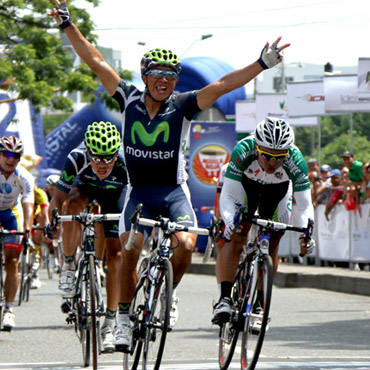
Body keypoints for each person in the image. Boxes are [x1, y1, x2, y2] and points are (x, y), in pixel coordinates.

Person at [48, 0, 290, 351]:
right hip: (139, 193)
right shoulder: (127, 98)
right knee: (130, 248)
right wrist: (68, 25)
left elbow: (223, 84)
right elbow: (95, 60)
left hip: (174, 192)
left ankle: (168, 291)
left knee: (188, 244)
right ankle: (123, 319)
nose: (164, 80)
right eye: (158, 74)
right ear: (145, 76)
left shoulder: (184, 104)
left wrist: (261, 64)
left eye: (171, 75)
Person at [212, 117, 315, 325]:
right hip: (246, 186)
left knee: (274, 239)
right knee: (238, 233)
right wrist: (230, 220)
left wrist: (306, 234)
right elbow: (229, 195)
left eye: (279, 157)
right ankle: (224, 298)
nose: (272, 162)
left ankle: (259, 303)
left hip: (278, 191)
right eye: (267, 155)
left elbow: (304, 205)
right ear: (257, 147)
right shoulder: (243, 150)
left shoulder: (296, 160)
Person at [48, 121, 127, 352]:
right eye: (97, 158)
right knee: (71, 205)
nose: (102, 164)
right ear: (87, 151)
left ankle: (109, 325)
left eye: (108, 158)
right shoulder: (76, 158)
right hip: (85, 188)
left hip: (115, 196)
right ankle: (70, 265)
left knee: (116, 257)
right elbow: (57, 200)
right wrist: (52, 222)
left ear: (116, 154)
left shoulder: (125, 162)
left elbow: (135, 199)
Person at [0, 136, 34, 331]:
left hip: (11, 212)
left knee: (12, 261)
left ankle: (9, 310)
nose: (11, 159)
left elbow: (28, 204)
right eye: (6, 154)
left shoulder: (24, 176)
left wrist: (27, 228)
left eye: (16, 155)